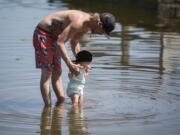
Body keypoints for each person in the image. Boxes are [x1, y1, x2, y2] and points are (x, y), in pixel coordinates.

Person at [33, 10, 115, 106]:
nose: (99, 34)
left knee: (57, 72)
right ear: (99, 24)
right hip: (43, 34)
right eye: (102, 33)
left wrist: (81, 64)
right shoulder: (79, 22)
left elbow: (74, 42)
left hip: (55, 37)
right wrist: (69, 64)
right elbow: (60, 43)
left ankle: (60, 104)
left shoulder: (87, 26)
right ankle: (47, 108)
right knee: (47, 72)